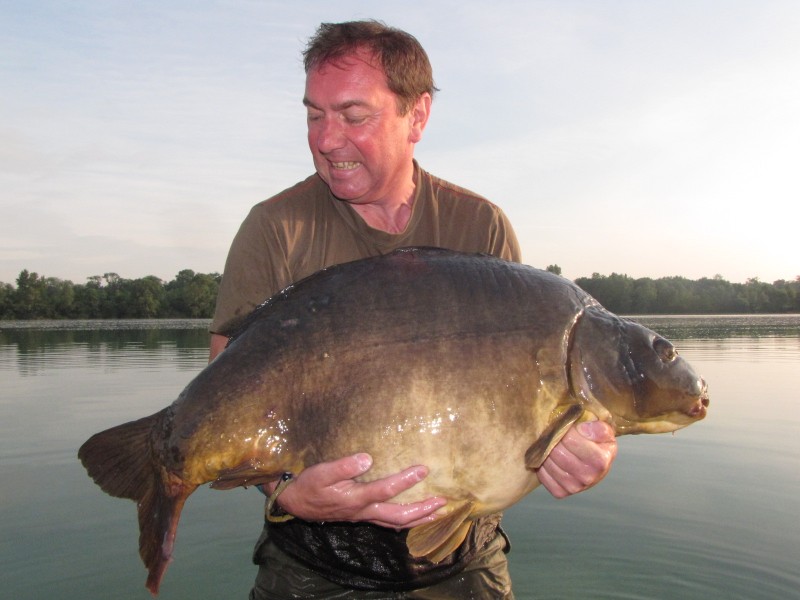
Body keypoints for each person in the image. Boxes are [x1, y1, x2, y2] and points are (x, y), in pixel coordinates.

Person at [209, 20, 618, 599]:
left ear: (417, 115)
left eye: (353, 116)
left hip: (461, 553)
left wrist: (580, 449)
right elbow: (224, 389)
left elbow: (530, 399)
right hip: (312, 561)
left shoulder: (480, 228)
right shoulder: (276, 229)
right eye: (313, 115)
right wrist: (282, 490)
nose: (326, 139)